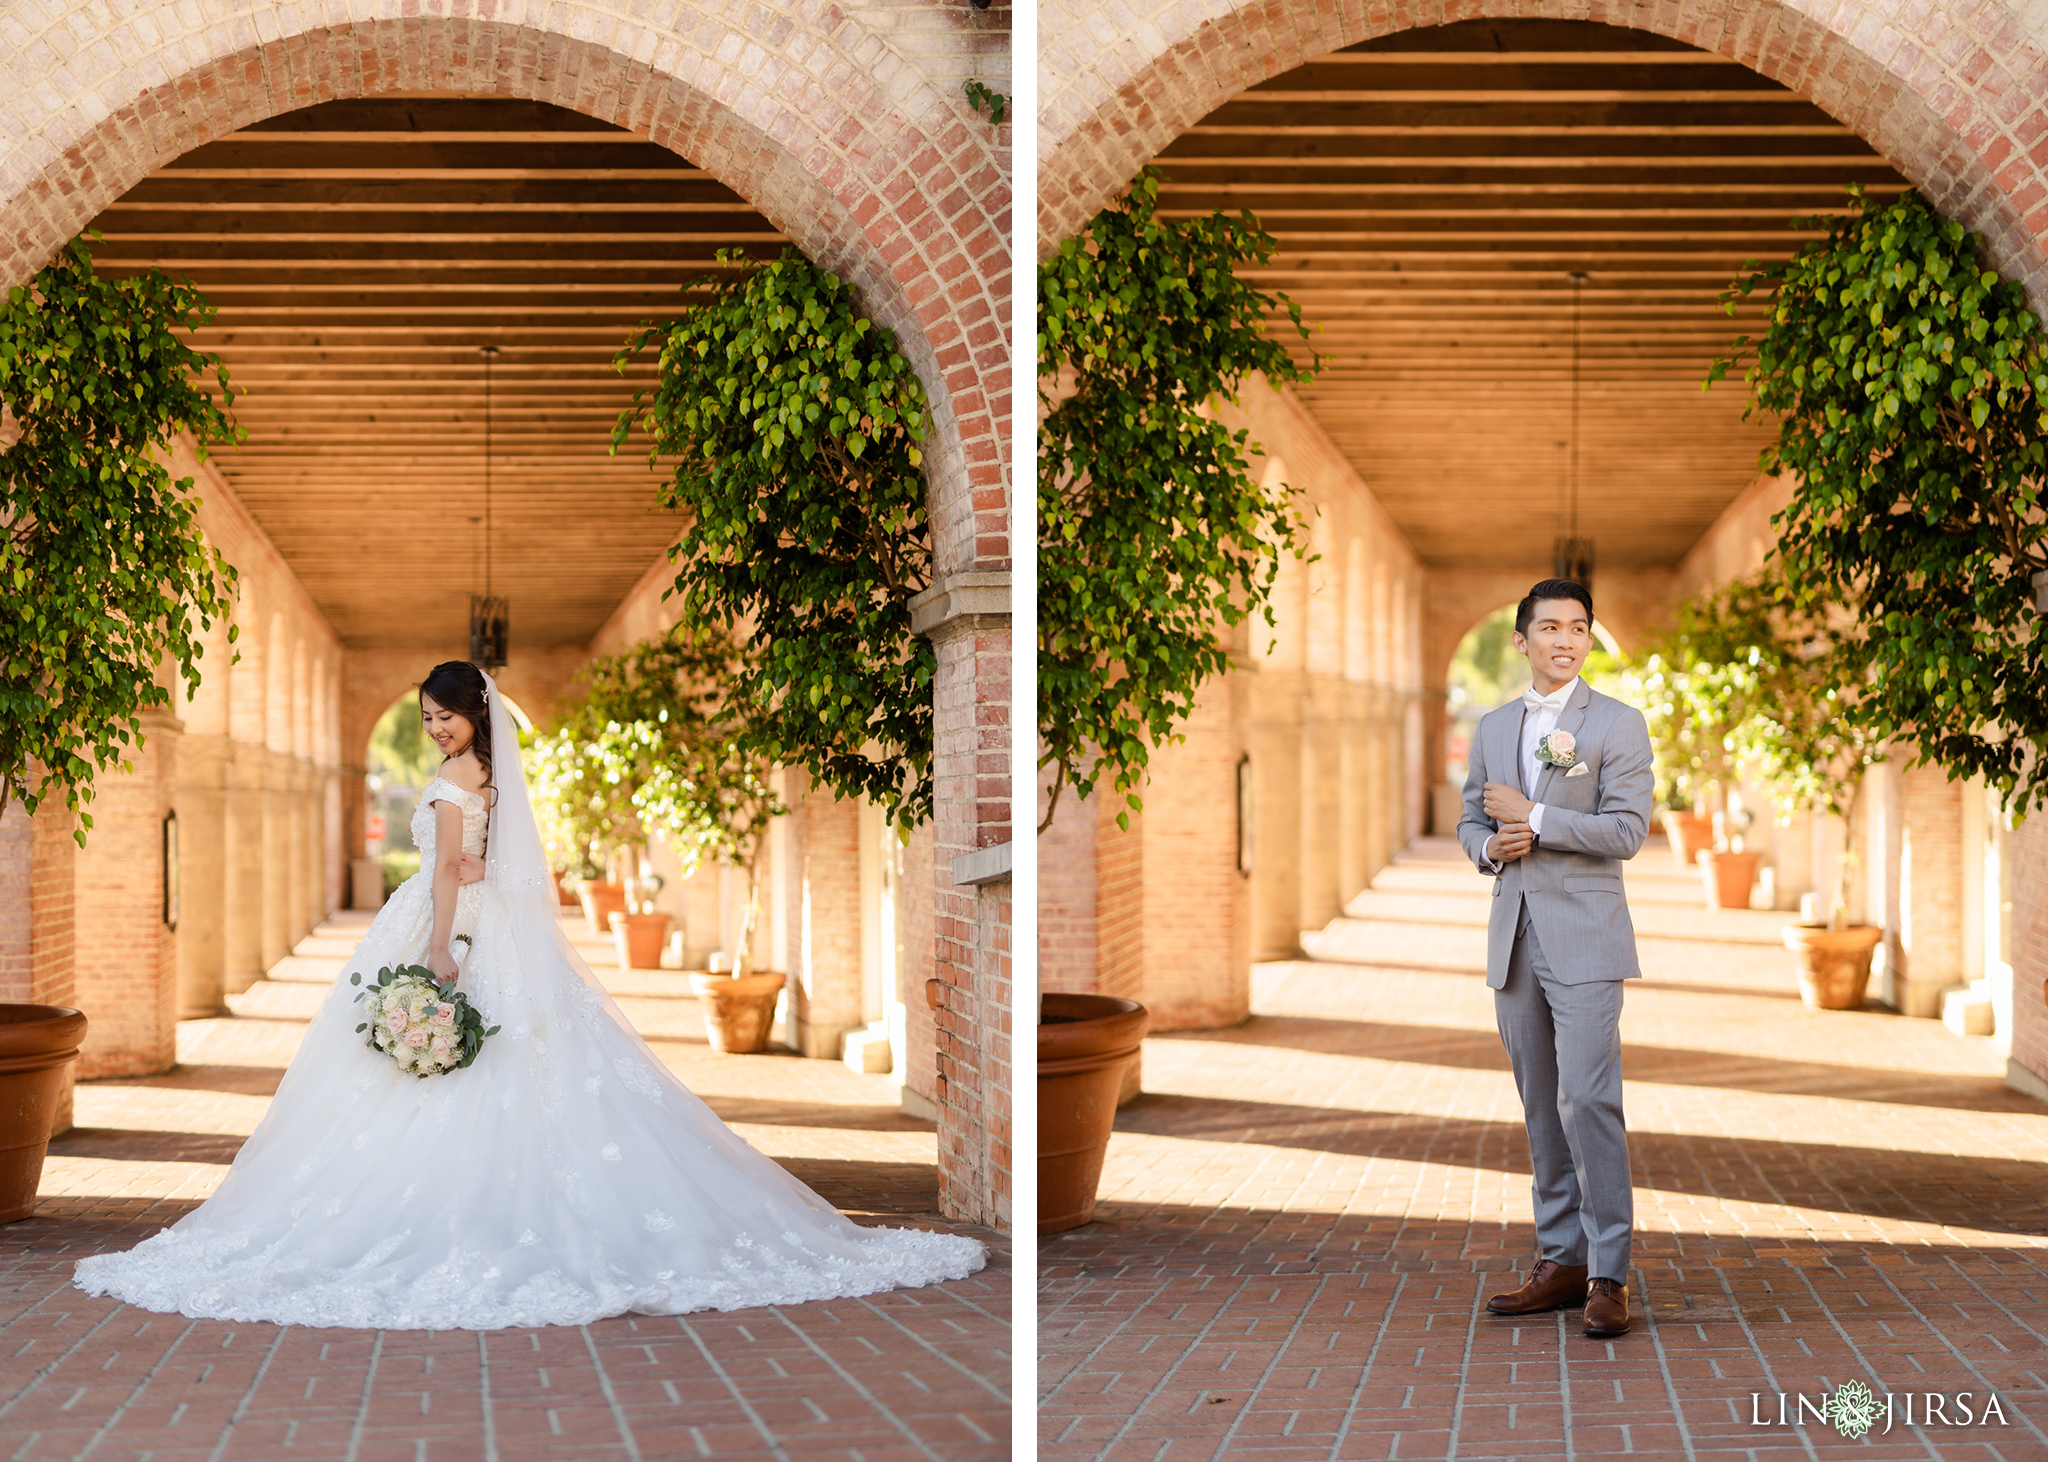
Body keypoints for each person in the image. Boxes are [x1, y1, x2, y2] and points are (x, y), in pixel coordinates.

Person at [74, 661, 984, 1329]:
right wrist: (464, 877)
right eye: (427, 720)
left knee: (423, 1063)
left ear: (473, 715)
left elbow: (440, 884)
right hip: (505, 934)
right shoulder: (496, 779)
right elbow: (486, 861)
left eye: (443, 718)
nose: (434, 732)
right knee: (530, 1056)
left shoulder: (442, 789)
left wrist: (436, 955)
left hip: (451, 935)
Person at [1455, 579, 1652, 1339]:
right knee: (1541, 1105)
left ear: (1589, 639)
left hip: (1588, 939)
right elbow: (1473, 816)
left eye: (1579, 628)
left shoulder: (1619, 724)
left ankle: (1608, 1272)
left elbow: (1627, 831)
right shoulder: (1494, 725)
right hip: (1515, 936)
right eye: (1550, 628)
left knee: (1588, 1101)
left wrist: (1536, 816)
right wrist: (1489, 848)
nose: (1565, 640)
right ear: (1522, 641)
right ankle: (1561, 1260)